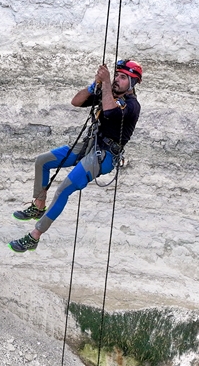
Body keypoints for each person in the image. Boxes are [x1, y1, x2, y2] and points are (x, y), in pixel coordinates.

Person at [9, 59, 142, 253]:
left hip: (103, 156)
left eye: (123, 78)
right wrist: (94, 84)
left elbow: (111, 111)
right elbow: (76, 101)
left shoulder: (132, 105)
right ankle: (38, 205)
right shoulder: (108, 93)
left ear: (133, 83)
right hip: (90, 144)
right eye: (117, 76)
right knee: (42, 161)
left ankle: (34, 236)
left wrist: (105, 84)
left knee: (63, 190)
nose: (117, 80)